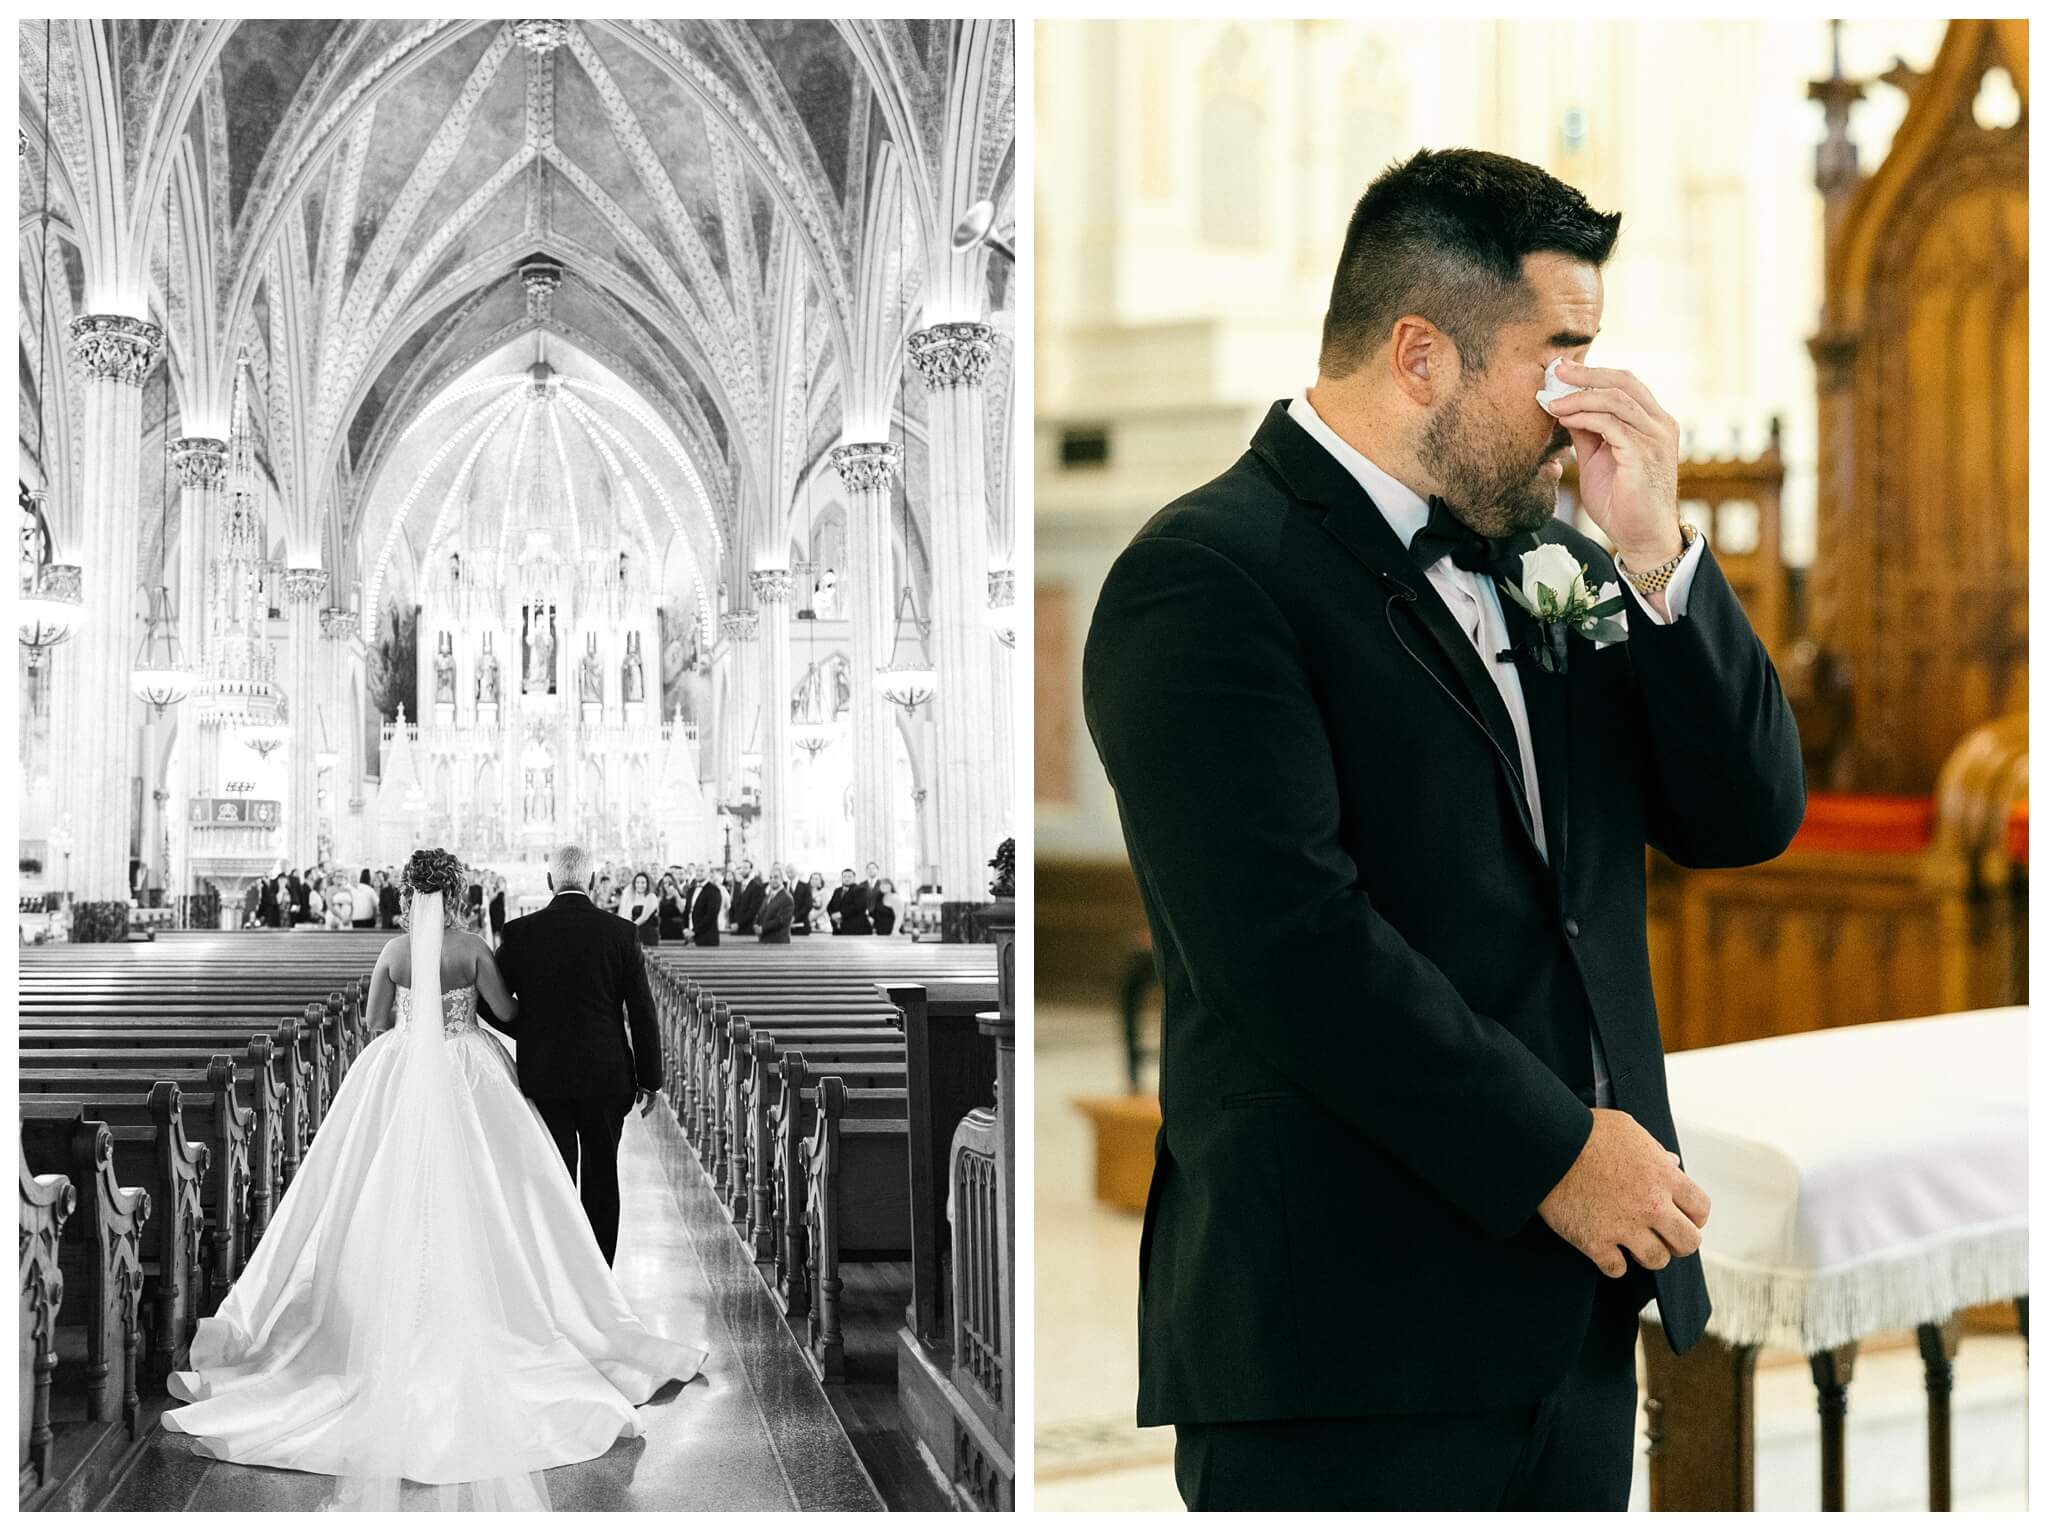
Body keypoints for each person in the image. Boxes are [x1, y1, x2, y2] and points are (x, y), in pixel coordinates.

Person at [1082, 148, 1805, 1512]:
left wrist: (1655, 550)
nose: (1588, 398)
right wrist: (1558, 1150)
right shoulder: (1205, 578)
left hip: (1567, 1314)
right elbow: (1289, 945)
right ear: (1423, 355)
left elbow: (1745, 814)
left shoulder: (1559, 556)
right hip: (1344, 1339)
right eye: (1561, 354)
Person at [161, 847, 704, 1507]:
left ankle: (385, 1310)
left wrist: (415, 1020)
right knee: (500, 1191)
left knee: (386, 1191)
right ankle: (544, 1288)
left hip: (400, 1071)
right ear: (456, 893)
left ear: (407, 894)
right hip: (471, 1071)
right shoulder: (474, 946)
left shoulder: (391, 952)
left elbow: (369, 1020)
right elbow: (504, 1011)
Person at [827, 867, 871, 936]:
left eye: (849, 877)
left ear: (854, 878)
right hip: (838, 928)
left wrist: (841, 914)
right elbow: (830, 906)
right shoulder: (837, 890)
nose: (847, 879)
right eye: (844, 877)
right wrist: (832, 916)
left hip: (855, 928)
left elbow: (859, 906)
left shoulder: (860, 889)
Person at [621, 871, 659, 948]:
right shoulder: (633, 897)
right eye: (637, 882)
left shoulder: (651, 896)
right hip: (636, 932)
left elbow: (644, 917)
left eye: (643, 882)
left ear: (647, 884)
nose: (640, 885)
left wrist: (629, 927)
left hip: (648, 933)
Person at [729, 858, 764, 937]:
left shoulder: (756, 887)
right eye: (741, 868)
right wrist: (732, 923)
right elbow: (732, 907)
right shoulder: (737, 886)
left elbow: (753, 911)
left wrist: (739, 924)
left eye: (745, 868)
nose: (743, 870)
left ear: (751, 869)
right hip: (734, 929)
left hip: (747, 929)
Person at [756, 871, 793, 944]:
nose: (772, 880)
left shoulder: (787, 897)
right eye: (770, 878)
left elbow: (781, 920)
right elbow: (761, 913)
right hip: (765, 939)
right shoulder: (769, 895)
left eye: (776, 877)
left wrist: (763, 928)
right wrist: (756, 924)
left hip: (779, 942)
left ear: (782, 879)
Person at [688, 869, 722, 946]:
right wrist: (685, 929)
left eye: (702, 870)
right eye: (697, 870)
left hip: (707, 936)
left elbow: (711, 914)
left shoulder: (714, 890)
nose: (698, 872)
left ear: (708, 874)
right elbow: (687, 911)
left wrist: (695, 931)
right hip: (689, 934)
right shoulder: (691, 890)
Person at [656, 875, 687, 942]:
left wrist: (676, 896)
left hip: (677, 927)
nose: (667, 885)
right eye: (665, 883)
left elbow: (683, 911)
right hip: (664, 927)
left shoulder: (680, 896)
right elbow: (657, 914)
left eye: (669, 883)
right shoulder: (661, 898)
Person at [790, 870, 816, 936]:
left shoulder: (805, 886)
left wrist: (795, 917)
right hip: (784, 929)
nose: (789, 874)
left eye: (791, 871)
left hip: (801, 926)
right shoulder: (784, 886)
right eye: (787, 872)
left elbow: (808, 905)